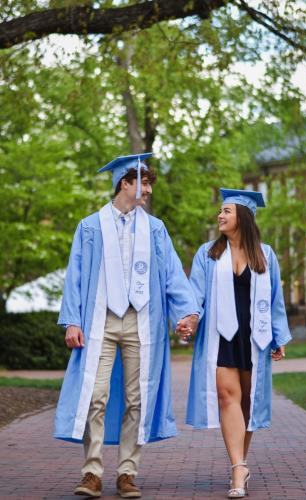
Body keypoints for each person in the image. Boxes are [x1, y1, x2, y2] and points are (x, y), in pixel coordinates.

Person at [54, 153, 198, 498]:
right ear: (125, 183)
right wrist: (73, 319)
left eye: (148, 184)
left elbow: (172, 274)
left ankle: (127, 472)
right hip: (99, 319)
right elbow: (74, 277)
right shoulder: (90, 226)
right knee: (95, 395)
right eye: (144, 183)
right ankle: (91, 472)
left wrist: (186, 312)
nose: (147, 191)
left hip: (141, 320)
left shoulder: (155, 228)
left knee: (137, 397)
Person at [181, 188, 291, 499]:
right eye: (221, 211)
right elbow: (195, 295)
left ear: (242, 216)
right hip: (220, 337)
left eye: (226, 211)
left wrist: (279, 336)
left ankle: (240, 461)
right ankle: (238, 468)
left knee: (247, 403)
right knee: (228, 397)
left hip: (254, 338)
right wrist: (189, 320)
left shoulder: (266, 255)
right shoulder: (208, 253)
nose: (220, 215)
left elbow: (275, 301)